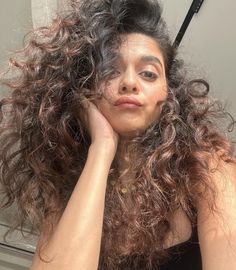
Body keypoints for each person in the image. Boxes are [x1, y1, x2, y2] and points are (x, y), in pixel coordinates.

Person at [0, 0, 236, 269]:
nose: (129, 82)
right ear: (85, 90)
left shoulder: (210, 169)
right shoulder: (65, 191)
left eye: (148, 73)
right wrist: (101, 150)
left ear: (168, 94)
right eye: (110, 70)